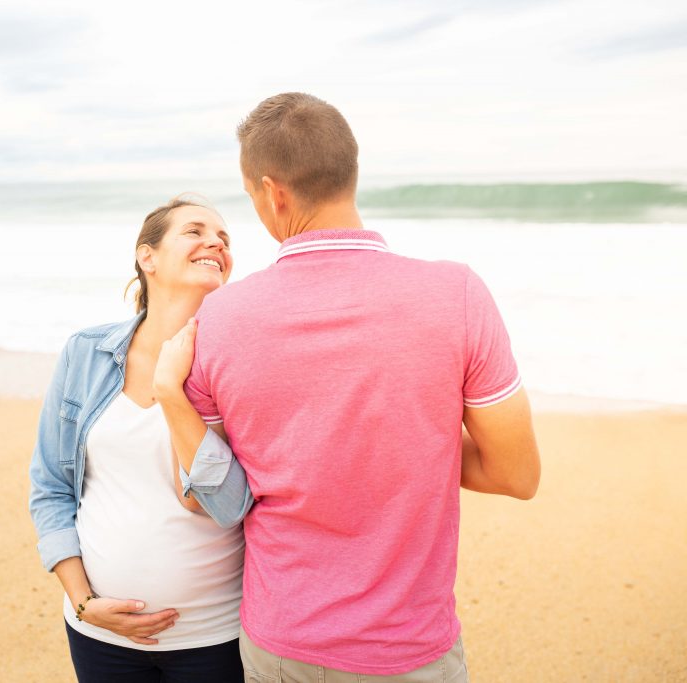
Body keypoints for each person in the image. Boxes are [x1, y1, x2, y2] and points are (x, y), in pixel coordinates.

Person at [153, 93, 541, 682]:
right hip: (410, 649)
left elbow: (206, 495)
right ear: (350, 172)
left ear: (273, 193)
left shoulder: (221, 319)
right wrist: (417, 436)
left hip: (284, 645)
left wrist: (172, 395)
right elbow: (516, 474)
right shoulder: (457, 294)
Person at [28, 195, 253, 683]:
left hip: (214, 636)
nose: (216, 243)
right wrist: (83, 601)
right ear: (147, 257)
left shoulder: (239, 363)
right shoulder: (86, 353)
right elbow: (50, 486)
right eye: (195, 231)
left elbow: (228, 505)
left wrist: (172, 390)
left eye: (224, 238)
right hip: (99, 636)